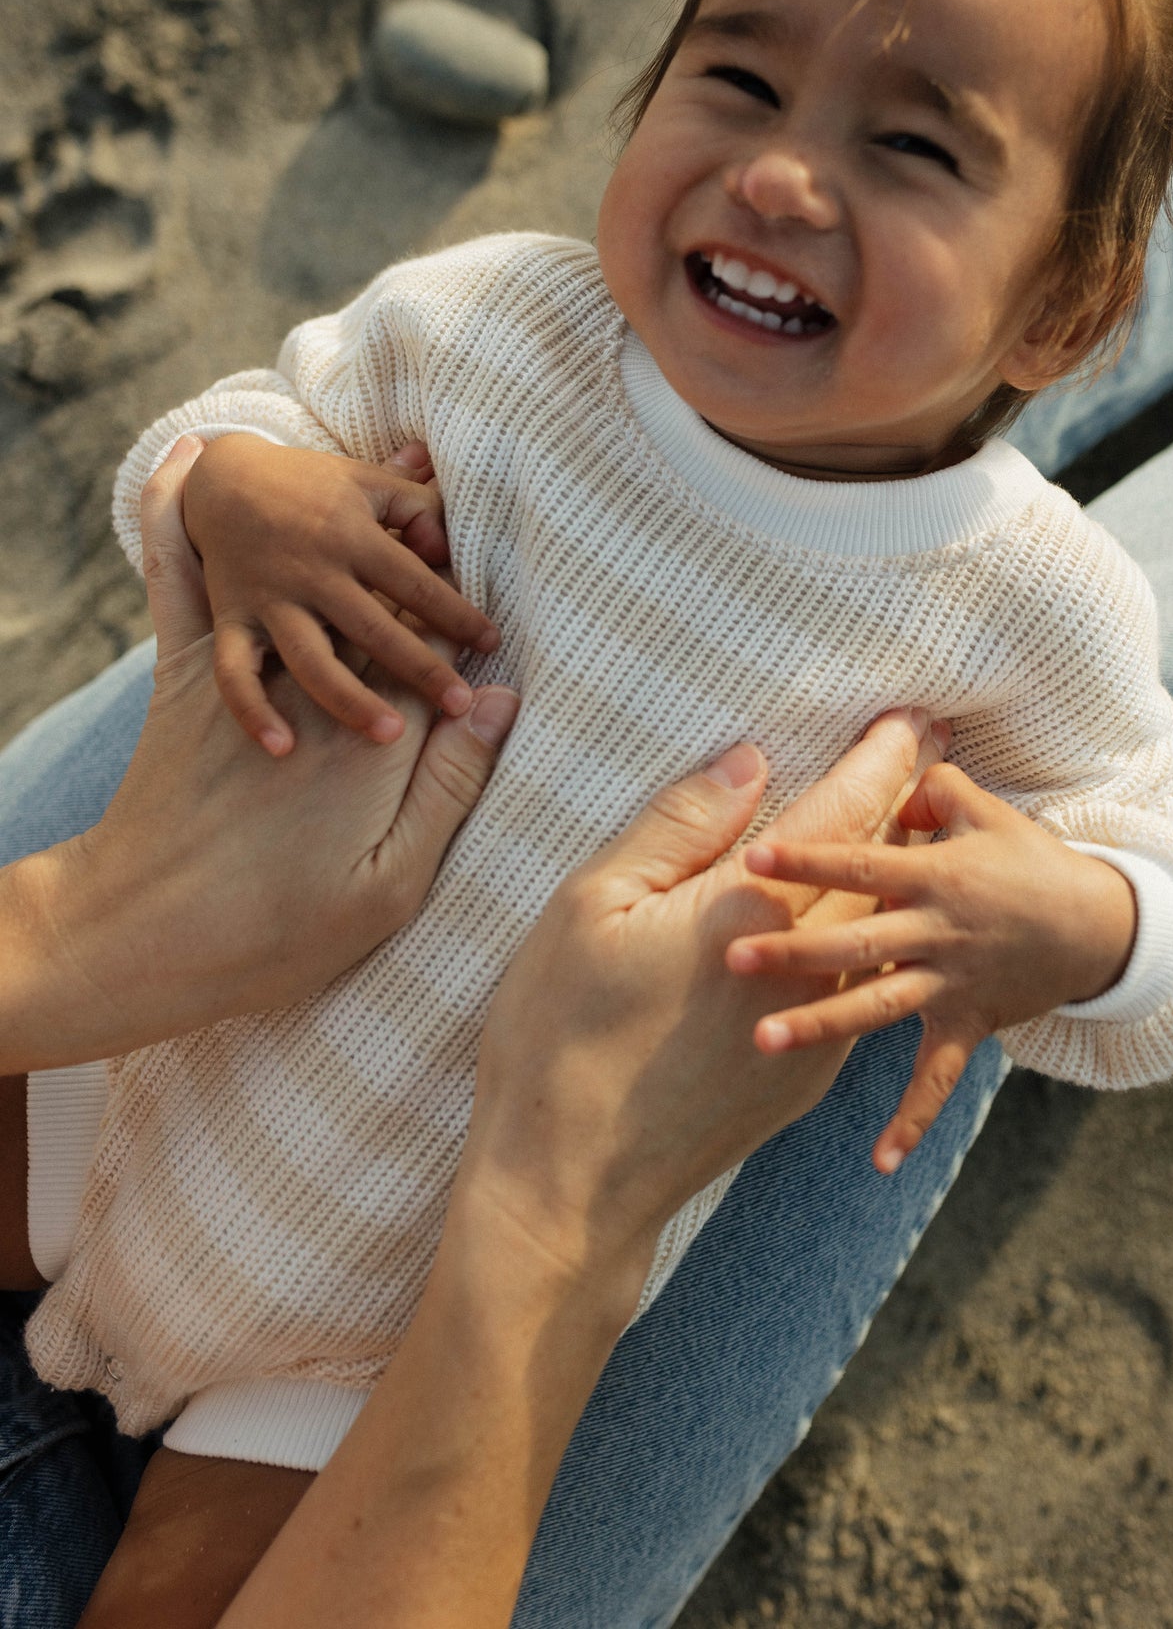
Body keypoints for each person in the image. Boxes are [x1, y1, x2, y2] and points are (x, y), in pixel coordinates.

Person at [3, 0, 1173, 1628]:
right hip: (133, 1073)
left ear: (1065, 314)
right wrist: (228, 491)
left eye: (908, 145)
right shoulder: (500, 327)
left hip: (365, 1325)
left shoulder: (1022, 597)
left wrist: (1072, 919)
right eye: (734, 84)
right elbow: (254, 416)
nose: (775, 176)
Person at [0, 435, 945, 1629]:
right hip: (375, 1353)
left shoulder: (501, 343)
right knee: (914, 828)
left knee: (861, 434)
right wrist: (566, 1213)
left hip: (126, 1063)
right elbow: (1140, 901)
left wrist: (87, 923)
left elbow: (235, 439)